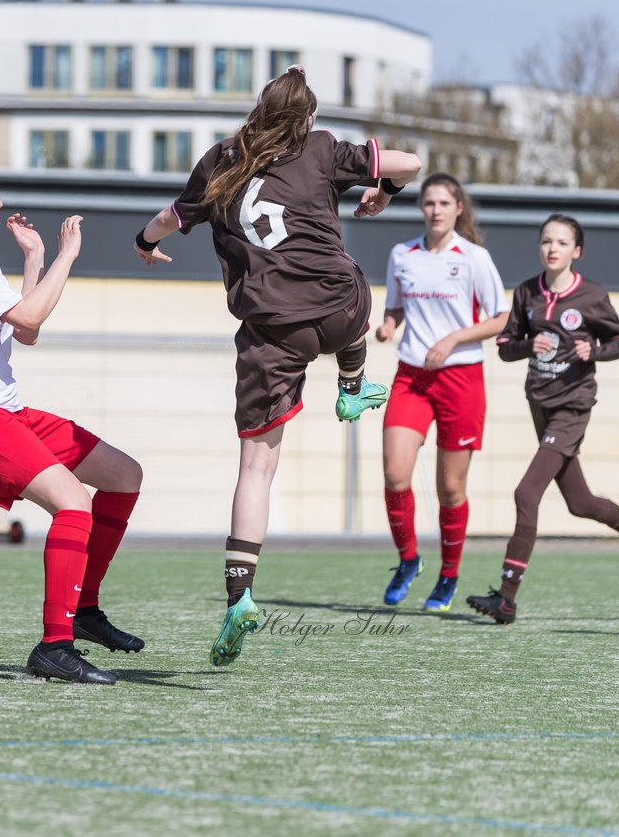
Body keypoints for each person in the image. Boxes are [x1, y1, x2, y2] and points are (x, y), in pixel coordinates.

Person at [132, 65, 421, 667]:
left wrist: (143, 244)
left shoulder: (219, 162)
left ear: (257, 110)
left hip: (271, 332)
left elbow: (165, 220)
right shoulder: (319, 149)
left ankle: (239, 597)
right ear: (307, 118)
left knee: (257, 469)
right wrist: (381, 191)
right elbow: (409, 163)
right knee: (351, 286)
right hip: (341, 310)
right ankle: (351, 385)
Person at [0, 155, 144, 685]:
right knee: (73, 502)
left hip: (5, 410)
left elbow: (26, 332)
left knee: (123, 475)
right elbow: (32, 316)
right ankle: (54, 645)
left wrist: (36, 261)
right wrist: (67, 255)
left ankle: (83, 611)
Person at [467, 214, 619, 623]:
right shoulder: (527, 292)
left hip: (573, 406)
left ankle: (506, 598)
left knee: (526, 493)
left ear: (575, 252)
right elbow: (506, 346)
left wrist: (593, 353)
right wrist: (530, 344)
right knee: (581, 503)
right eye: (547, 241)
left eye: (562, 243)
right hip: (540, 405)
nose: (552, 248)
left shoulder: (592, 295)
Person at [374, 173, 510, 612]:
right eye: (428, 203)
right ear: (422, 208)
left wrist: (452, 340)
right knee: (396, 473)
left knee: (450, 488)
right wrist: (389, 325)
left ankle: (448, 576)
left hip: (461, 380)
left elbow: (502, 318)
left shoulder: (473, 258)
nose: (435, 210)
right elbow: (396, 305)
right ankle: (408, 560)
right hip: (411, 376)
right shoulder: (403, 255)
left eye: (443, 203)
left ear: (458, 209)